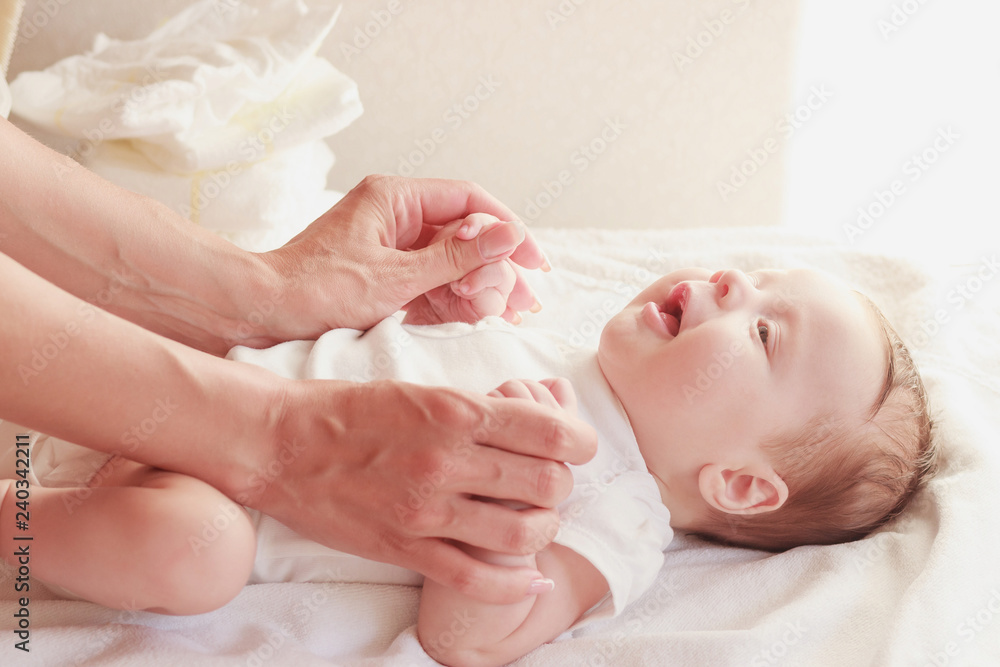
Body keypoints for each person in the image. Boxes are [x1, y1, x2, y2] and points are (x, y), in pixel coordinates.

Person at [0, 257, 938, 666]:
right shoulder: (562, 340)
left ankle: (20, 523)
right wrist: (452, 296)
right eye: (753, 271)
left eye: (765, 329)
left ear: (739, 483)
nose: (733, 281)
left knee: (192, 553)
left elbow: (470, 639)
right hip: (205, 392)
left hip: (215, 497)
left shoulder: (619, 517)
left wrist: (511, 530)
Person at [0, 115, 600, 605]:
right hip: (198, 412)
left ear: (702, 487)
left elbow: (473, 632)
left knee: (194, 553)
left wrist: (261, 300)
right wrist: (275, 431)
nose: (700, 276)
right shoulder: (558, 353)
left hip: (189, 486)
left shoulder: (632, 509)